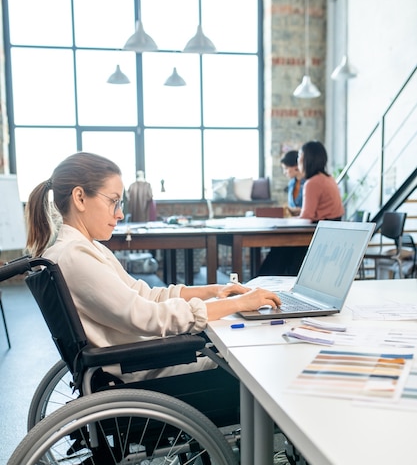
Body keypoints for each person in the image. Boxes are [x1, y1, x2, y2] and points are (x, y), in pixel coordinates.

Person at [25, 152, 281, 378]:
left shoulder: (83, 249)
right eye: (113, 201)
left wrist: (214, 291)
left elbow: (146, 295)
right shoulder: (76, 257)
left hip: (137, 358)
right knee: (252, 364)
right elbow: (149, 317)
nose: (120, 213)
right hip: (143, 369)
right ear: (80, 197)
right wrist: (239, 304)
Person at [258, 140, 344, 276]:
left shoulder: (312, 183)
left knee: (279, 250)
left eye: (299, 157)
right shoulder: (328, 178)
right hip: (330, 233)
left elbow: (306, 217)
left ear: (306, 160)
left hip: (318, 236)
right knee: (281, 251)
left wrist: (284, 221)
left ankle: (262, 283)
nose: (298, 161)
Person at [281, 150, 305, 215]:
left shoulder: (310, 183)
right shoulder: (291, 183)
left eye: (286, 168)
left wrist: (300, 210)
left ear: (296, 166)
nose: (284, 172)